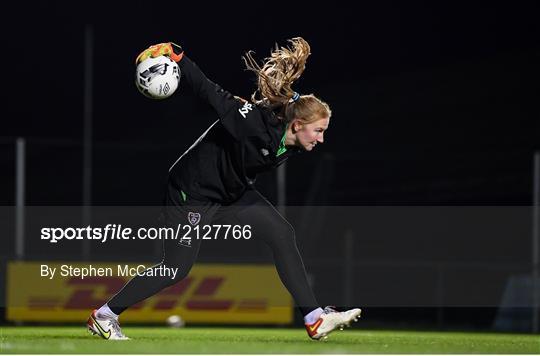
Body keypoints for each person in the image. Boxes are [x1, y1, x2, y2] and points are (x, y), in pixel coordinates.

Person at [87, 37, 361, 341]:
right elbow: (208, 90)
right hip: (191, 192)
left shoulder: (294, 140)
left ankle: (314, 319)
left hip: (232, 191)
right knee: (175, 269)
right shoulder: (252, 122)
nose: (321, 139)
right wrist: (177, 57)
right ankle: (104, 315)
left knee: (281, 234)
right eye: (318, 131)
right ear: (297, 126)